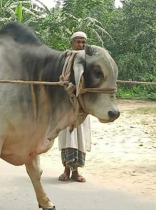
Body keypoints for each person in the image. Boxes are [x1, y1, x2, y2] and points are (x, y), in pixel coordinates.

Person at [57, 31, 91, 182]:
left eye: (83, 42)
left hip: (82, 106)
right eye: (78, 42)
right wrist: (67, 86)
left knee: (79, 138)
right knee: (67, 137)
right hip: (66, 105)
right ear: (71, 42)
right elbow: (60, 80)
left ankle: (76, 172)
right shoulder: (64, 60)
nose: (81, 45)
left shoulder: (89, 61)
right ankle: (66, 170)